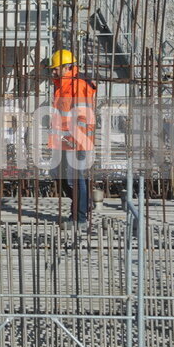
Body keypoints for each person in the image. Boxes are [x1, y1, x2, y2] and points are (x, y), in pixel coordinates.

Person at [48, 49, 97, 228]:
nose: (53, 71)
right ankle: (84, 202)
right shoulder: (62, 84)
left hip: (77, 140)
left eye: (56, 68)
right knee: (57, 174)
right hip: (64, 140)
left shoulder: (78, 85)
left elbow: (84, 115)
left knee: (74, 178)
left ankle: (80, 218)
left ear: (67, 67)